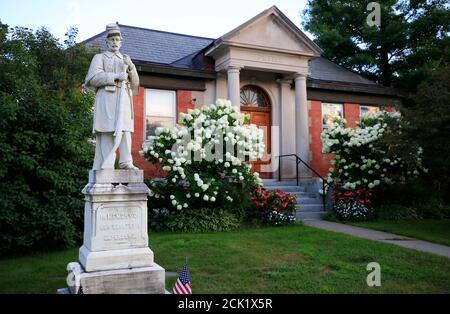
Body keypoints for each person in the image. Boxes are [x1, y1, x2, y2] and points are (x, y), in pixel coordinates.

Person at [84, 23, 139, 170]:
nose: (114, 42)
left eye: (117, 39)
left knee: (125, 129)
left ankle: (126, 162)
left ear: (121, 42)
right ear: (107, 42)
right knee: (107, 129)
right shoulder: (99, 57)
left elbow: (136, 84)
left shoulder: (126, 59)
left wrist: (131, 67)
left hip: (124, 98)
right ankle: (106, 164)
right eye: (112, 39)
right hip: (107, 98)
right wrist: (115, 77)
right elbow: (92, 79)